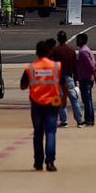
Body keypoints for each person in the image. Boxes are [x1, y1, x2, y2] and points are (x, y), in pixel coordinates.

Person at [21, 40, 64, 171]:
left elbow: (23, 86)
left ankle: (38, 162)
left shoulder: (30, 67)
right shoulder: (56, 66)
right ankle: (50, 162)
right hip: (53, 101)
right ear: (49, 51)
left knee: (38, 133)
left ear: (36, 53)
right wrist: (65, 99)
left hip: (37, 102)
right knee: (51, 132)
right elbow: (64, 84)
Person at [52, 31, 83, 127]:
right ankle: (79, 120)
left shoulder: (56, 51)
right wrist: (76, 79)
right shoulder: (71, 51)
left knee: (62, 99)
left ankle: (64, 121)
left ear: (58, 39)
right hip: (69, 78)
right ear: (66, 39)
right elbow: (75, 66)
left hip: (60, 78)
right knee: (74, 100)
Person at [75, 33, 96, 127]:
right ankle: (90, 119)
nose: (77, 41)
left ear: (83, 40)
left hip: (85, 78)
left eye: (78, 39)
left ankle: (89, 119)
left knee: (87, 100)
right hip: (88, 77)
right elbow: (94, 65)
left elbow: (90, 65)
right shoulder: (87, 50)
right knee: (88, 99)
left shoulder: (83, 51)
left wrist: (95, 77)